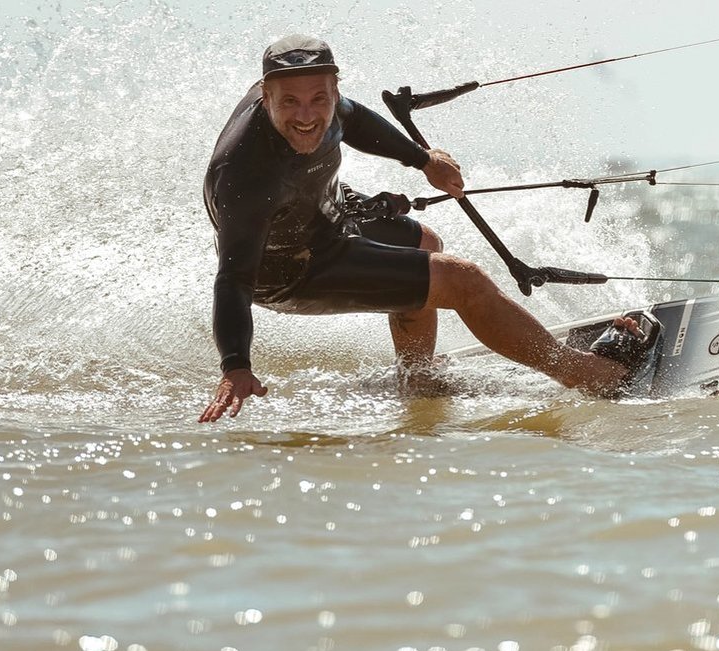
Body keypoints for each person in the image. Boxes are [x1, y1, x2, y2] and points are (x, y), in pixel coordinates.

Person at [198, 34, 640, 420]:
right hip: (289, 271)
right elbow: (234, 278)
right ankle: (580, 372)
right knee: (459, 279)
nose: (306, 115)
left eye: (319, 98)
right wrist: (235, 365)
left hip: (326, 217)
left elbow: (354, 120)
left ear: (334, 89)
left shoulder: (327, 106)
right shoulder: (243, 178)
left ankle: (416, 376)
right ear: (265, 97)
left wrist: (424, 160)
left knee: (426, 244)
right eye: (289, 102)